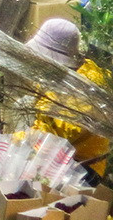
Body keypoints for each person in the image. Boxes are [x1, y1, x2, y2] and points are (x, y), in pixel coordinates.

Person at [28, 18, 111, 177]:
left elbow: (60, 133)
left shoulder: (89, 83)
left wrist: (22, 140)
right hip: (56, 158)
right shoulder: (60, 75)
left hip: (82, 169)